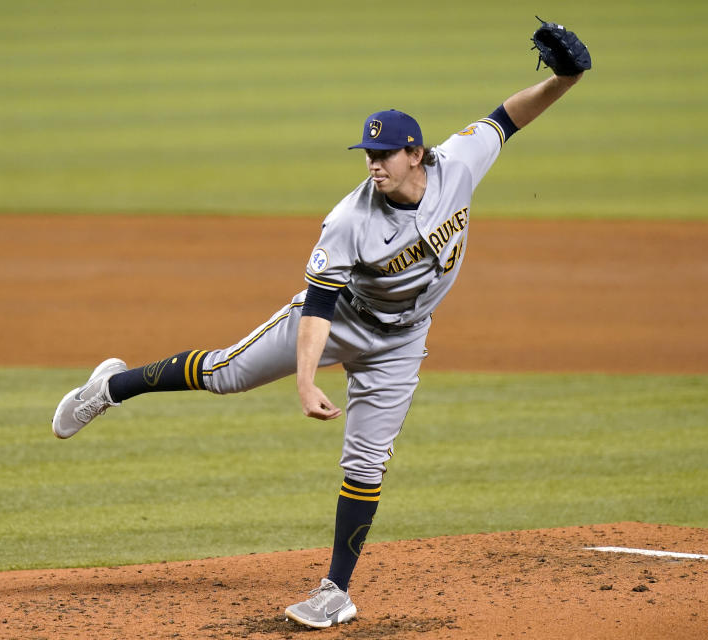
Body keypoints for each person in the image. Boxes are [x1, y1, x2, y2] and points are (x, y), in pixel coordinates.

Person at [53, 47, 586, 629]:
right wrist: (305, 382)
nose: (374, 165)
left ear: (416, 154)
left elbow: (509, 116)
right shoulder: (348, 221)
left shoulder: (458, 163)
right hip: (339, 322)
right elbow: (317, 309)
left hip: (402, 342)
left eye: (384, 155)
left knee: (366, 462)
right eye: (368, 155)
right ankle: (110, 387)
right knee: (227, 373)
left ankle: (336, 590)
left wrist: (567, 75)